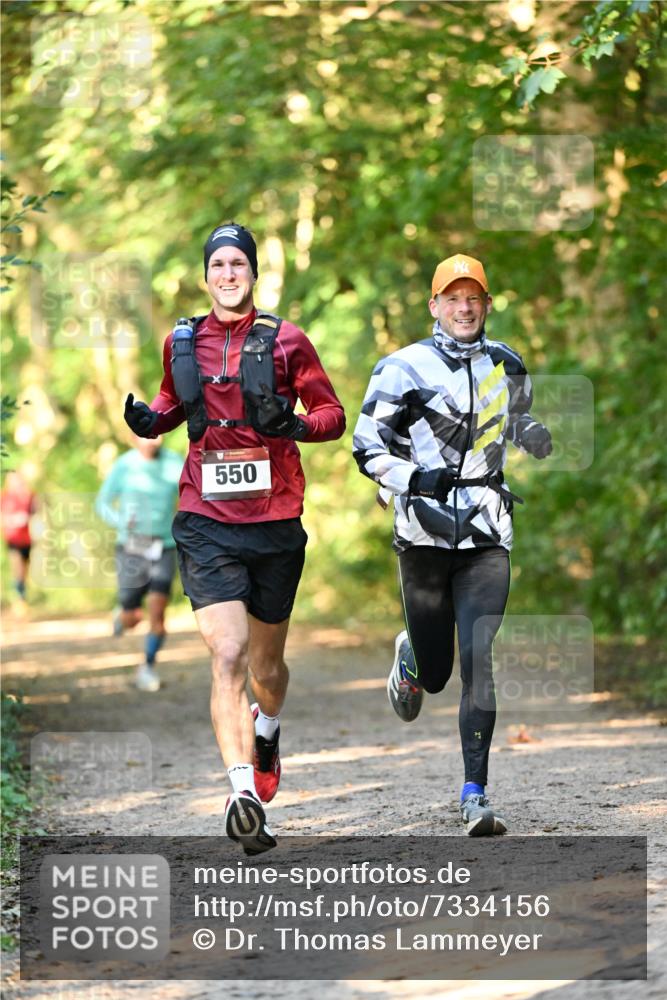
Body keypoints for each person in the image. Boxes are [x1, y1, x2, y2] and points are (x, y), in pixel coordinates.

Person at [123, 222, 345, 855]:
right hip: (205, 518)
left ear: (251, 273)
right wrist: (153, 418)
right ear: (205, 275)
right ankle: (244, 793)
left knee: (266, 667)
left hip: (274, 521)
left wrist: (295, 425)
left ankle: (267, 728)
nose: (228, 274)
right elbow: (172, 400)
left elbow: (333, 416)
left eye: (237, 264)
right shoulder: (182, 341)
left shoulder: (287, 341)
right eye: (217, 264)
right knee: (227, 655)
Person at [353, 253, 552, 837]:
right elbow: (368, 447)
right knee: (439, 671)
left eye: (475, 298)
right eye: (453, 298)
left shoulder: (507, 364)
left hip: (489, 528)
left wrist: (530, 433)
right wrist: (416, 479)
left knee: (479, 659)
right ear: (434, 305)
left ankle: (475, 794)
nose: (465, 308)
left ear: (486, 305)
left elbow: (507, 417)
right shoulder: (402, 368)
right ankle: (413, 655)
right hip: (424, 530)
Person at [95, 435, 182, 692]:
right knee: (133, 616)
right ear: (133, 437)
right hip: (131, 547)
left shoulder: (174, 463)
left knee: (157, 612)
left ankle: (147, 667)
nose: (152, 440)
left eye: (156, 433)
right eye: (145, 435)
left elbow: (192, 495)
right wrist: (120, 521)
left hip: (165, 545)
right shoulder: (125, 465)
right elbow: (102, 502)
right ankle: (122, 617)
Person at [1, 469, 36, 607]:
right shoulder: (4, 497)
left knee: (24, 573)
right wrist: (13, 521)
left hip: (27, 540)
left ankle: (22, 596)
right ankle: (19, 601)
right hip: (12, 538)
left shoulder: (30, 496)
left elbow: (38, 514)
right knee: (17, 568)